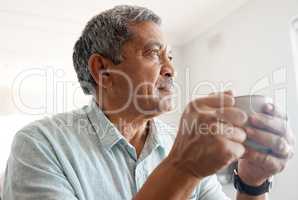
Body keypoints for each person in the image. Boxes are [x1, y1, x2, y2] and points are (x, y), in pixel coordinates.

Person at [3, 5, 295, 200]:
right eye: (154, 53)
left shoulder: (182, 144)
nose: (171, 69)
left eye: (170, 56)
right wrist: (182, 169)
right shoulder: (39, 145)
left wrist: (253, 183)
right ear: (102, 70)